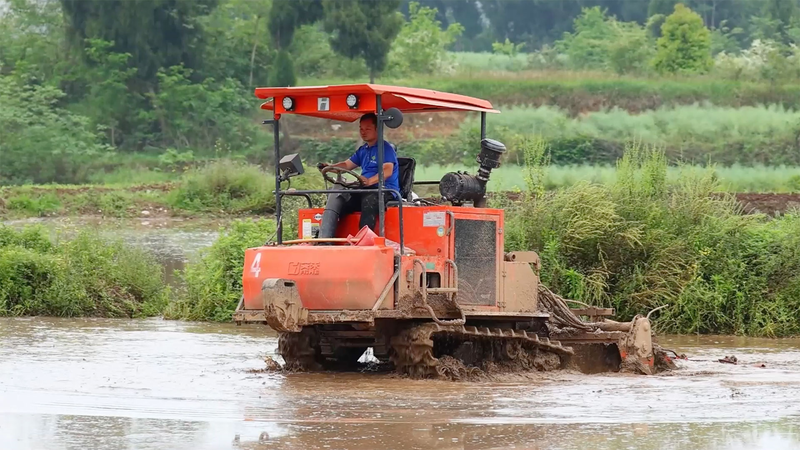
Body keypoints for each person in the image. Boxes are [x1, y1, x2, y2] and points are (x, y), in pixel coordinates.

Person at [317, 112, 400, 232]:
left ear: (378, 130)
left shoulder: (385, 148)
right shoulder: (363, 150)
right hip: (365, 189)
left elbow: (387, 171)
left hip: (385, 190)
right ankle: (325, 236)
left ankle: (364, 239)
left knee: (369, 199)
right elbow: (346, 165)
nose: (363, 132)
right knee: (340, 200)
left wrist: (370, 181)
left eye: (368, 129)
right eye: (361, 129)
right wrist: (330, 167)